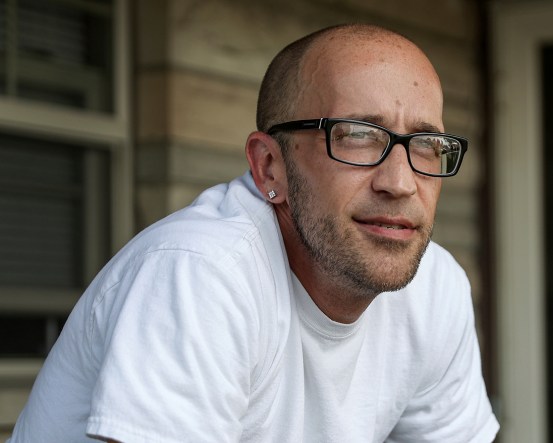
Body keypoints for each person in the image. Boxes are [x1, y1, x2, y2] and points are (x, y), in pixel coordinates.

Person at [9, 24, 499, 442]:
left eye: (429, 144)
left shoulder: (434, 286)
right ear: (270, 167)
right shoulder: (201, 273)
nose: (400, 182)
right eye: (356, 135)